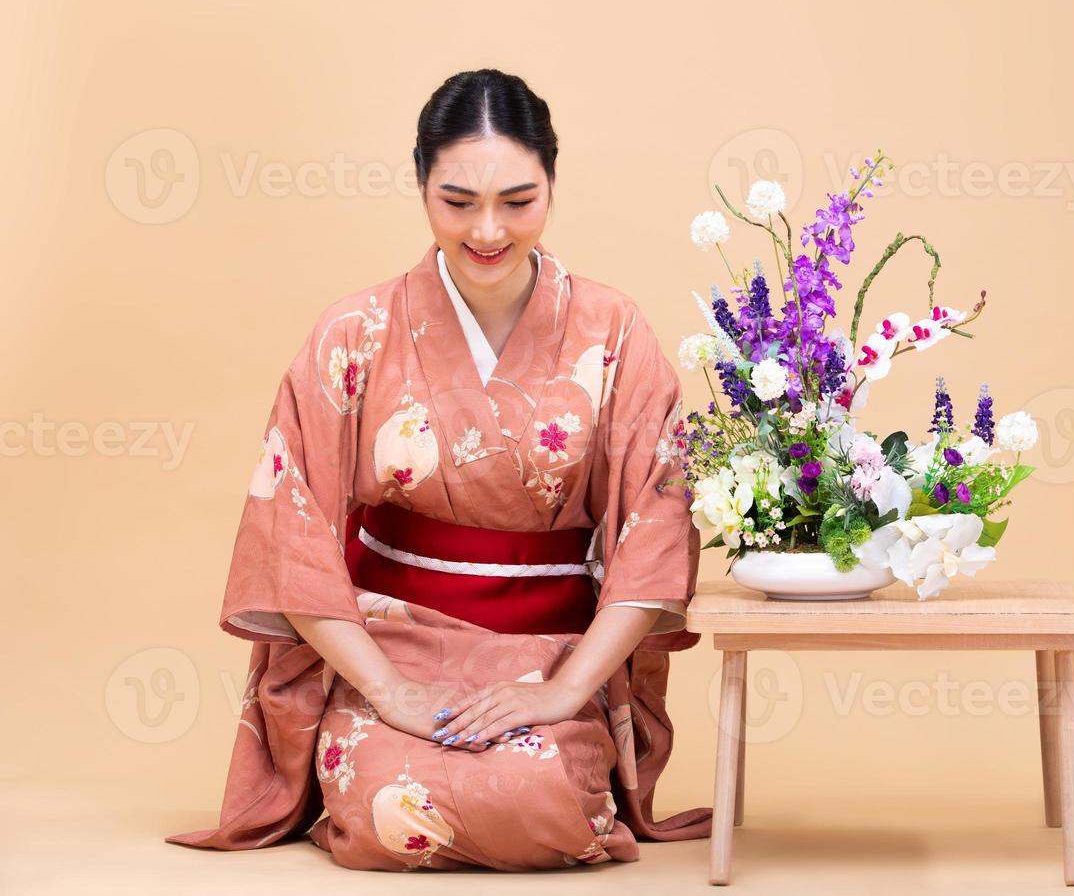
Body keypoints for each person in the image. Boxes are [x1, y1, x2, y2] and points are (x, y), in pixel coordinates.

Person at [165, 68, 711, 870]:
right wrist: (389, 691)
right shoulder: (355, 331)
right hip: (393, 646)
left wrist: (562, 691)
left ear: (552, 185)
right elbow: (292, 535)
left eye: (517, 201)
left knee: (540, 802)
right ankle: (357, 754)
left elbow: (656, 535)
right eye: (458, 202)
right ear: (421, 185)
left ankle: (552, 736)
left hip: (553, 648)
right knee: (395, 806)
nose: (487, 229)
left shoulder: (613, 331)